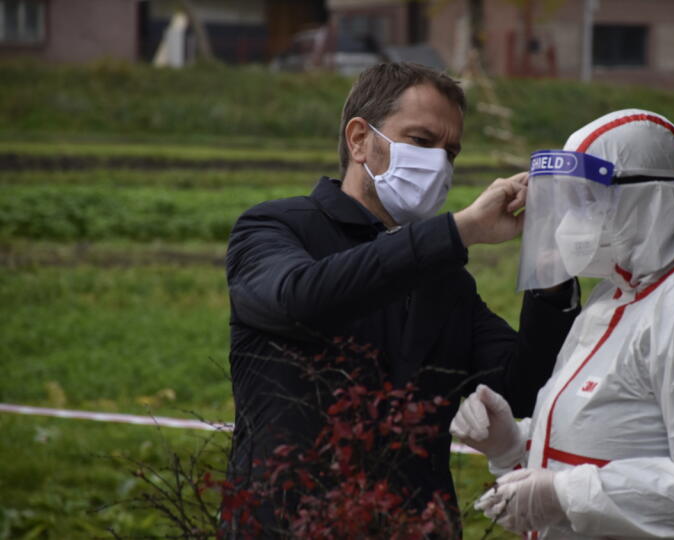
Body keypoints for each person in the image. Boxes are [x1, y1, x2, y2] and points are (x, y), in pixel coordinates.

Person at [223, 62, 579, 534]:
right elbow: (300, 300)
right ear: (358, 139)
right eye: (421, 141)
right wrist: (460, 229)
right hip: (291, 524)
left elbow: (525, 382)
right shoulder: (275, 228)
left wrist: (549, 267)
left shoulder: (442, 276)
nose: (438, 164)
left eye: (450, 152)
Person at [451, 109, 674, 539]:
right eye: (565, 205)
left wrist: (563, 495)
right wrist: (513, 445)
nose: (568, 224)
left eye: (586, 202)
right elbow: (614, 436)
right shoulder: (616, 295)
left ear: (647, 198)